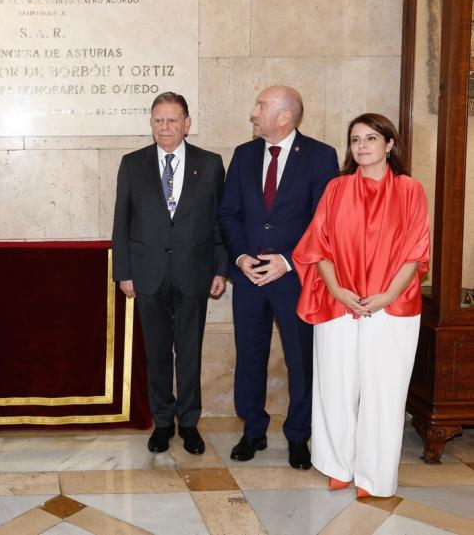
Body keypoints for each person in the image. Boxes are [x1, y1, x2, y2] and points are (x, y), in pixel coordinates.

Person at [293, 113, 429, 497]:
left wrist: (385, 296)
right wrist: (336, 289)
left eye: (371, 138)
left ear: (389, 144)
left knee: (383, 390)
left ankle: (374, 475)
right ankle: (338, 465)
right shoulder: (336, 189)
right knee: (335, 385)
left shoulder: (410, 190)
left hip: (391, 306)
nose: (362, 146)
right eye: (355, 140)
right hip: (339, 303)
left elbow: (415, 253)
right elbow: (318, 246)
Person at [218, 85, 338, 469]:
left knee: (300, 360)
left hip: (296, 279)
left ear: (285, 116)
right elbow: (228, 213)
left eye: (261, 106)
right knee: (250, 356)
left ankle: (299, 437)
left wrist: (287, 261)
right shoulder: (243, 155)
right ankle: (252, 431)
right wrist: (239, 258)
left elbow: (324, 222)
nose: (253, 112)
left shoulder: (320, 156)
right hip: (250, 278)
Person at [112, 92, 228, 455]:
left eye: (172, 120)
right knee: (157, 352)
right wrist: (124, 272)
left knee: (190, 352)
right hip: (148, 275)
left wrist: (221, 269)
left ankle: (189, 423)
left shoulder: (210, 164)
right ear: (151, 123)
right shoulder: (133, 164)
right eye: (158, 120)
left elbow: (219, 223)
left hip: (195, 273)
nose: (165, 127)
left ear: (187, 124)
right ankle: (162, 422)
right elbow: (122, 222)